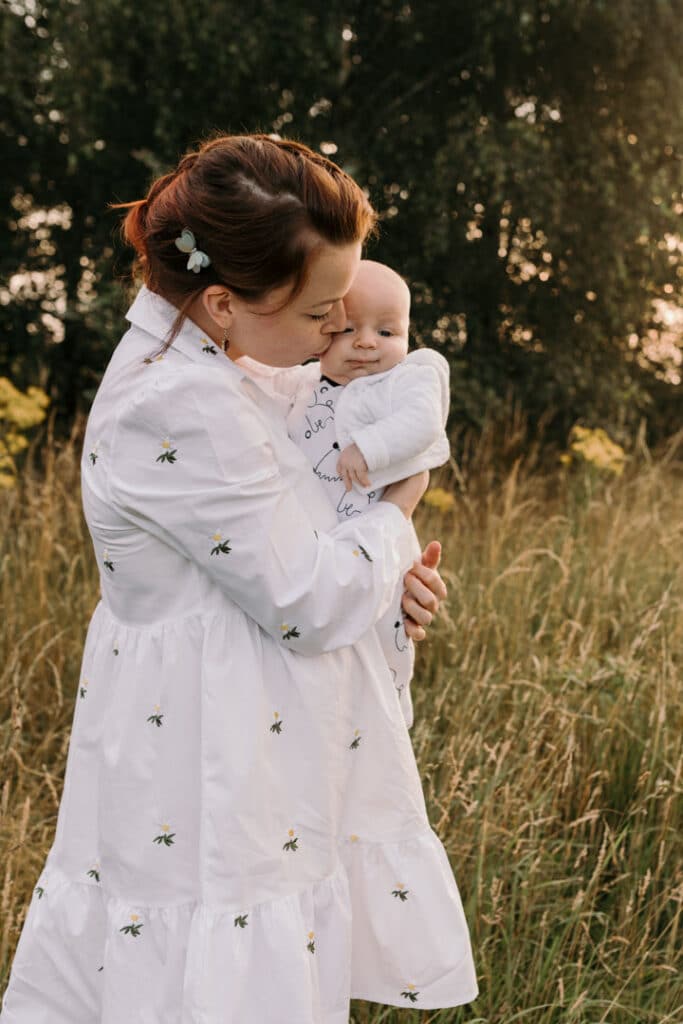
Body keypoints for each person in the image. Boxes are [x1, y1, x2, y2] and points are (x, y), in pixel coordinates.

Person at [0, 134, 477, 1024]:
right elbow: (308, 600)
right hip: (206, 758)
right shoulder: (175, 402)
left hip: (260, 740)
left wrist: (387, 584)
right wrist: (393, 511)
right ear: (222, 301)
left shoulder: (220, 366)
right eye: (320, 313)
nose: (340, 331)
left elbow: (307, 518)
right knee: (207, 976)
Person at [240, 259, 451, 731]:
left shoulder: (404, 380)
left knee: (387, 627)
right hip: (318, 551)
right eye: (348, 328)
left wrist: (371, 447)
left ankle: (392, 710)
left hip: (377, 536)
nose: (367, 342)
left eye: (388, 331)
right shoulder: (303, 385)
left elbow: (423, 421)